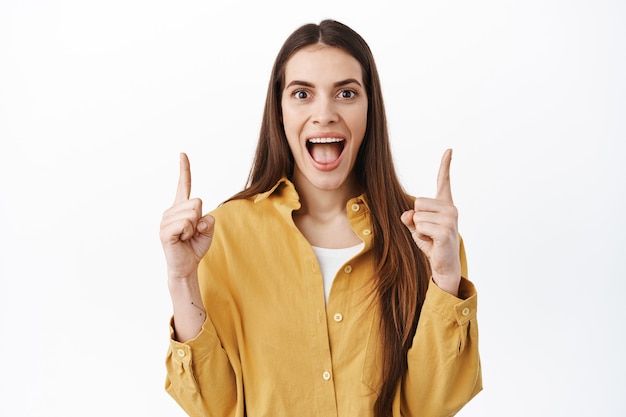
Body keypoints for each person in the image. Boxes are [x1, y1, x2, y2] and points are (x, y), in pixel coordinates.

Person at [160, 19, 482, 417]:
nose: (324, 113)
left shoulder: (426, 236)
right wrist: (181, 279)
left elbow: (433, 406)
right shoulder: (221, 235)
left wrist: (446, 279)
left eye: (346, 93)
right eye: (302, 94)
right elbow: (214, 407)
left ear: (370, 109)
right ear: (279, 111)